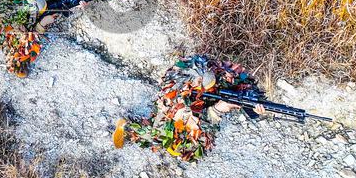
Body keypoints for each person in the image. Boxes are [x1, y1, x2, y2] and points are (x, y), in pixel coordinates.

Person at [113, 55, 267, 161]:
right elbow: (190, 122)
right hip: (173, 111)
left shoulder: (213, 74)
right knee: (170, 140)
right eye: (205, 89)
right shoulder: (180, 92)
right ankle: (126, 127)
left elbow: (242, 80)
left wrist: (254, 102)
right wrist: (216, 110)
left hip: (195, 100)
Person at [0, 0, 76, 77]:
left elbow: (31, 33)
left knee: (43, 6)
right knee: (44, 4)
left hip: (14, 4)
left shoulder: (18, 46)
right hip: (12, 2)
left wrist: (42, 23)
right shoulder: (1, 40)